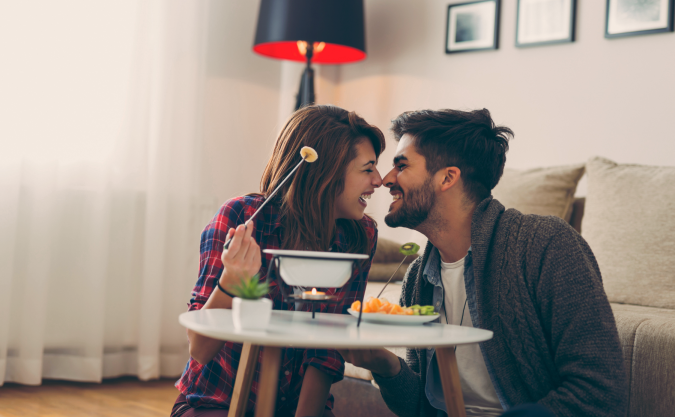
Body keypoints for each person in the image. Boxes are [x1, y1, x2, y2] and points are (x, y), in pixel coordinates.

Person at [340, 109, 627, 417]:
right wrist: (386, 365)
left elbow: (600, 392)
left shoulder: (545, 245)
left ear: (447, 178)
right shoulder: (418, 277)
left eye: (402, 165)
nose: (385, 179)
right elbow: (423, 408)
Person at [173, 105, 385, 417]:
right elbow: (201, 350)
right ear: (326, 170)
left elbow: (328, 350)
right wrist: (231, 281)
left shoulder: (360, 236)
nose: (379, 180)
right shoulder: (242, 218)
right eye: (367, 169)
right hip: (217, 402)